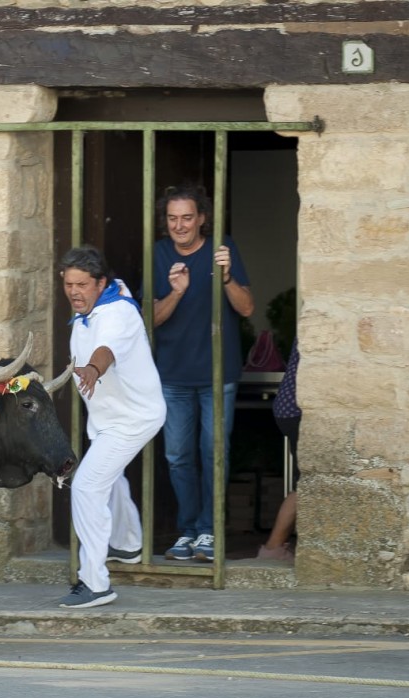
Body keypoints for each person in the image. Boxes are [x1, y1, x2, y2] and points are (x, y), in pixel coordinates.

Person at [57, 246, 166, 609]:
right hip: (107, 419)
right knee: (109, 478)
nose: (74, 291)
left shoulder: (117, 313)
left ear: (101, 283)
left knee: (86, 486)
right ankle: (129, 542)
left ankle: (95, 582)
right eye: (69, 284)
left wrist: (92, 369)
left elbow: (106, 349)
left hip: (133, 418)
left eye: (83, 285)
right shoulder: (87, 311)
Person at [152, 184, 255, 563]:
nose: (180, 225)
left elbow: (246, 309)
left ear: (202, 219)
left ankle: (209, 531)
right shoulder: (159, 253)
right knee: (178, 456)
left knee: (214, 454)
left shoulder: (222, 249)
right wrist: (177, 292)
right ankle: (188, 531)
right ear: (166, 221)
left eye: (187, 217)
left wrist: (226, 277)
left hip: (218, 375)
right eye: (173, 218)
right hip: (172, 375)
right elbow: (150, 319)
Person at [258, 338, 300, 561]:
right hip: (295, 409)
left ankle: (273, 548)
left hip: (288, 408)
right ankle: (273, 549)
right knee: (305, 485)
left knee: (304, 484)